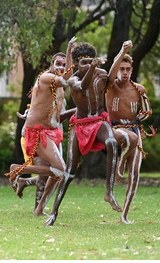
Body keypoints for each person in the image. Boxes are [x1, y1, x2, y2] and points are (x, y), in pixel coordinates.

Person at [45, 42, 122, 226]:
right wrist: (92, 65)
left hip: (99, 121)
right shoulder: (73, 80)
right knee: (70, 172)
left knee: (111, 142)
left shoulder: (101, 75)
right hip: (80, 125)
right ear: (77, 64)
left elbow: (111, 78)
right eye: (83, 63)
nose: (87, 65)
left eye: (90, 61)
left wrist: (122, 51)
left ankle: (109, 192)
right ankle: (54, 212)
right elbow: (83, 85)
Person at [5, 37, 77, 216]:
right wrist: (69, 50)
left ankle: (38, 208)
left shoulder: (59, 88)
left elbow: (58, 113)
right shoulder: (46, 78)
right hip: (36, 133)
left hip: (51, 132)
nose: (61, 67)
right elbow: (67, 78)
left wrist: (78, 111)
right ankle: (18, 169)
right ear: (52, 64)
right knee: (60, 170)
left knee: (57, 173)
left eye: (63, 64)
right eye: (58, 63)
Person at [105, 40, 155, 224]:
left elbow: (147, 111)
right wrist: (122, 51)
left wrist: (139, 119)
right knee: (128, 137)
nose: (124, 72)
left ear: (132, 70)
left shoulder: (138, 89)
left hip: (134, 129)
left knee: (135, 175)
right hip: (115, 129)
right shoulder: (110, 85)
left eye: (127, 69)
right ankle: (119, 165)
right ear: (118, 69)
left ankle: (124, 215)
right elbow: (111, 75)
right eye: (122, 69)